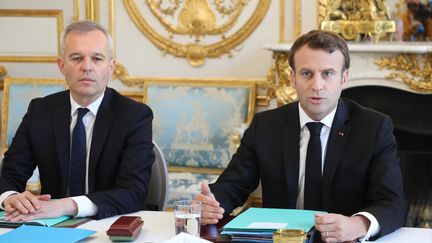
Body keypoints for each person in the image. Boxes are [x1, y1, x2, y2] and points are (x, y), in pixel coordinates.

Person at [195, 30, 405, 242]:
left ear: (344, 78)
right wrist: (212, 203)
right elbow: (232, 185)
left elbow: (392, 203)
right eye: (307, 73)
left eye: (327, 73)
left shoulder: (373, 128)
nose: (317, 85)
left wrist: (358, 224)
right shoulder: (266, 125)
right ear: (293, 78)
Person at [0, 21, 155, 221]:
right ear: (61, 66)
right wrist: (10, 197)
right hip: (49, 224)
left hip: (110, 221)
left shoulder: (135, 115)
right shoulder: (40, 111)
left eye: (97, 58)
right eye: (76, 58)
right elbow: (10, 174)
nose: (87, 67)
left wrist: (68, 205)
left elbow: (134, 192)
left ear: (111, 67)